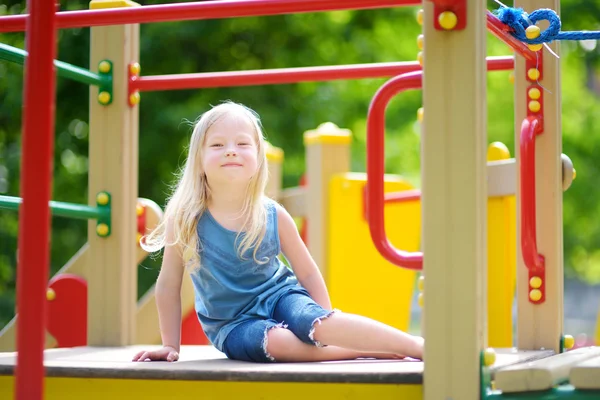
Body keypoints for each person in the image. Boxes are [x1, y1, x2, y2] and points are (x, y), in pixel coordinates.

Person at [132, 101, 424, 364]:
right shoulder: (185, 217)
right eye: (218, 145)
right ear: (199, 160)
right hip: (232, 325)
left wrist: (321, 324)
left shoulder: (271, 214)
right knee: (276, 342)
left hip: (281, 296)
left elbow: (307, 273)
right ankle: (357, 348)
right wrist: (170, 345)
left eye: (242, 143)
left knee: (316, 322)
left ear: (258, 158)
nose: (231, 150)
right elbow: (169, 283)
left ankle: (416, 346)